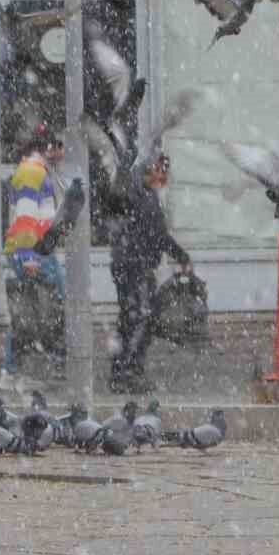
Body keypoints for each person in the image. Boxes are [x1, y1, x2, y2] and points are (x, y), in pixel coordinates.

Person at [107, 152, 193, 394]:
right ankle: (128, 370)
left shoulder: (145, 194)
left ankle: (123, 370)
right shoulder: (139, 195)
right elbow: (157, 234)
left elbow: (157, 234)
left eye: (165, 172)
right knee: (139, 317)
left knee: (133, 317)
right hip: (133, 265)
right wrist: (180, 256)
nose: (164, 176)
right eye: (161, 171)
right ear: (150, 170)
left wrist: (180, 255)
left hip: (133, 264)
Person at [0, 124, 66, 391]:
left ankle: (15, 369)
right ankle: (45, 363)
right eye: (60, 146)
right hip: (34, 251)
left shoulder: (35, 171)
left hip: (34, 249)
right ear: (48, 148)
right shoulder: (32, 172)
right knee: (48, 307)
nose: (63, 152)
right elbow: (26, 217)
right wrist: (29, 256)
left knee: (30, 311)